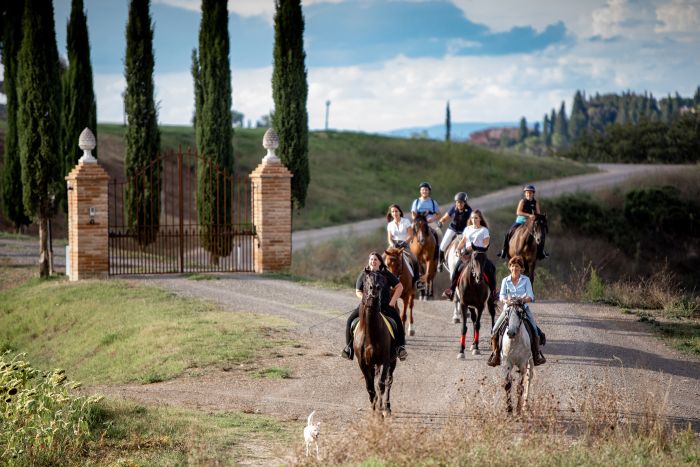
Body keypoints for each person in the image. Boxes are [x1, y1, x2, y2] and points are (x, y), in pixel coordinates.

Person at [341, 252, 408, 361]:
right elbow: (358, 291)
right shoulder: (364, 274)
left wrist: (392, 301)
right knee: (350, 321)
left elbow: (399, 286)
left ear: (380, 262)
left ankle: (400, 348)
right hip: (367, 306)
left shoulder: (386, 274)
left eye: (375, 259)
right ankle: (349, 349)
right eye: (371, 259)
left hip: (385, 306)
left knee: (398, 323)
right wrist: (365, 299)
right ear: (369, 261)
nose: (373, 261)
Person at [487, 255, 546, 366]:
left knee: (534, 329)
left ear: (521, 269)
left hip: (522, 309)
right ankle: (495, 355)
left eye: (517, 266)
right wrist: (506, 301)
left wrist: (523, 300)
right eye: (513, 266)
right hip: (508, 309)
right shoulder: (505, 280)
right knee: (494, 329)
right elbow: (502, 296)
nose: (515, 268)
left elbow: (531, 296)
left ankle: (536, 354)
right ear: (510, 267)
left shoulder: (526, 280)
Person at [441, 209, 496, 303]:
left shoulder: (484, 230)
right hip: (466, 254)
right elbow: (463, 241)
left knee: (491, 268)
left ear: (480, 219)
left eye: (476, 218)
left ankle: (494, 293)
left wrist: (476, 247)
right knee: (456, 270)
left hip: (479, 254)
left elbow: (486, 244)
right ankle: (451, 290)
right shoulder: (467, 229)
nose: (474, 220)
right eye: (472, 218)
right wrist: (458, 249)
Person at [497, 184, 548, 260]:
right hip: (521, 221)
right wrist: (529, 215)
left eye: (530, 193)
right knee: (509, 232)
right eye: (527, 193)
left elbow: (538, 213)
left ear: (533, 193)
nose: (529, 194)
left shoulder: (535, 203)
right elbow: (518, 212)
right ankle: (504, 251)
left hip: (531, 223)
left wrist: (540, 217)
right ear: (525, 194)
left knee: (540, 234)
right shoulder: (522, 201)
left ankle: (541, 252)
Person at [386, 204, 423, 289]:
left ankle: (418, 281)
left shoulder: (406, 221)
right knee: (381, 258)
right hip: (393, 245)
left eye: (396, 211)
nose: (394, 213)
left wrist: (404, 243)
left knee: (414, 259)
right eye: (393, 211)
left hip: (404, 245)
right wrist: (392, 244)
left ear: (399, 212)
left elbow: (410, 235)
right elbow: (389, 238)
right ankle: (381, 280)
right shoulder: (390, 224)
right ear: (391, 213)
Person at [436, 192, 472, 272]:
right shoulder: (453, 208)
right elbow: (445, 217)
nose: (459, 204)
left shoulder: (469, 211)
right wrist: (441, 222)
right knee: (442, 245)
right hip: (453, 229)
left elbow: (471, 222)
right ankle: (440, 263)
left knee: (470, 246)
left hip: (464, 231)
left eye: (461, 202)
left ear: (465, 202)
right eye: (457, 202)